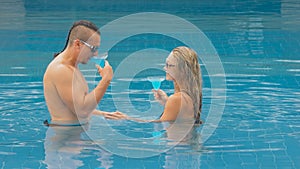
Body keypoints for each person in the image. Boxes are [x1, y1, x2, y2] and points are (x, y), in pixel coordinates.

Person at [43, 20, 122, 126]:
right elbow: (82, 112)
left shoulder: (71, 67)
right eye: (93, 48)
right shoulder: (61, 70)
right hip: (65, 139)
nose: (96, 53)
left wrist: (104, 114)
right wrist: (106, 80)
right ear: (78, 44)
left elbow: (71, 108)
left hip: (72, 136)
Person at [120, 46, 203, 124]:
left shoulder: (177, 99)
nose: (164, 68)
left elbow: (161, 125)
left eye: (169, 65)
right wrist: (167, 102)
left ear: (183, 70)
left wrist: (126, 118)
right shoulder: (190, 96)